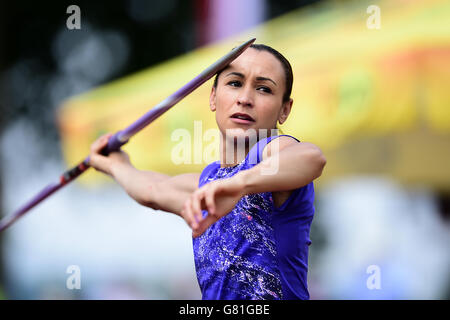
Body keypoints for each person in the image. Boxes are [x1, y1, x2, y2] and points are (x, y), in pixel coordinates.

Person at [88, 44, 327, 300]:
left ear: (284, 110)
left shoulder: (271, 154)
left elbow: (311, 158)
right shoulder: (208, 185)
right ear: (213, 97)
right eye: (235, 83)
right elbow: (152, 191)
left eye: (264, 89)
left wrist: (239, 185)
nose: (245, 98)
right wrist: (114, 164)